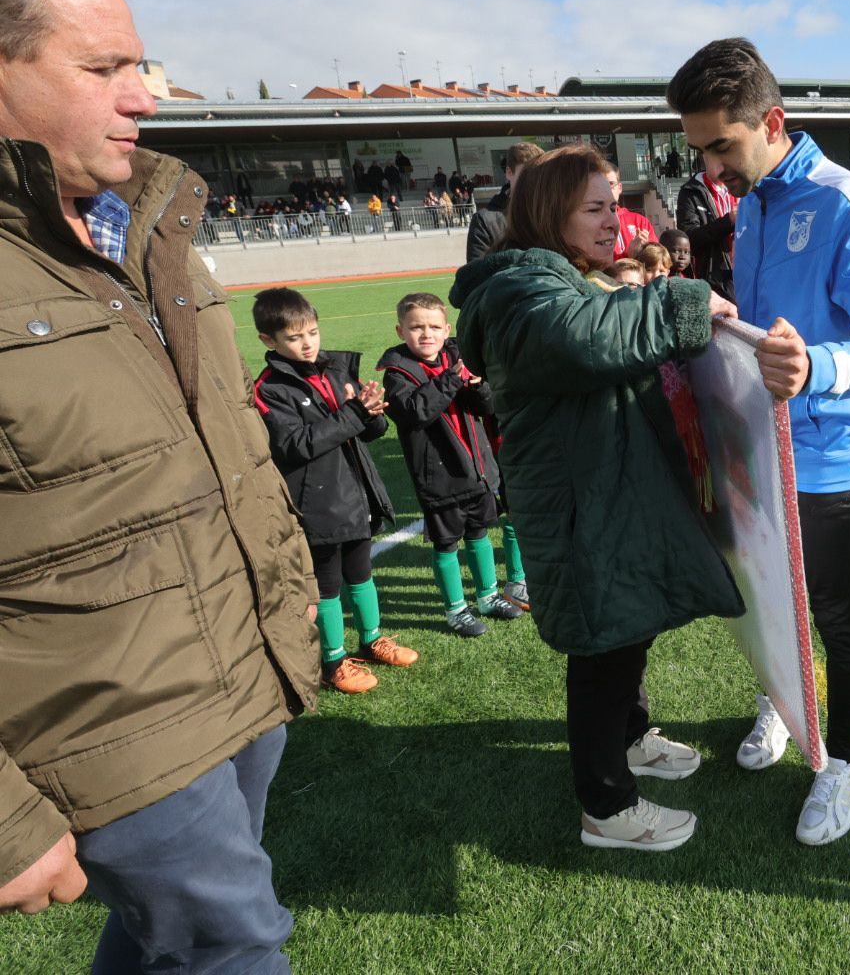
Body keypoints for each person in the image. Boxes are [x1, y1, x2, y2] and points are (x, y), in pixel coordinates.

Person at [0, 0, 319, 967]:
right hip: (104, 724)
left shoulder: (146, 227)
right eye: (104, 67)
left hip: (241, 668)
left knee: (165, 948)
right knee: (239, 947)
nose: (146, 95)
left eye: (141, 64)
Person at [448, 143, 742, 852]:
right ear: (551, 214)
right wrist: (685, 298)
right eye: (595, 208)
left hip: (603, 496)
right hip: (581, 510)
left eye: (616, 204)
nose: (617, 220)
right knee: (603, 654)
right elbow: (587, 340)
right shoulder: (520, 291)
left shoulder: (562, 278)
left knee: (625, 632)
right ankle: (605, 808)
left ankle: (633, 741)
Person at [667, 37, 850, 844]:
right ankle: (780, 702)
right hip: (757, 448)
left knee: (836, 615)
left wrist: (815, 367)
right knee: (765, 599)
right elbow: (769, 330)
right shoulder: (755, 204)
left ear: (771, 121)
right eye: (700, 149)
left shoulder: (845, 201)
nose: (709, 169)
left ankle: (845, 764)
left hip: (830, 457)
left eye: (720, 146)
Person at [251, 288, 415, 693]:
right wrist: (354, 413)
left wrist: (372, 412)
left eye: (312, 332)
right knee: (327, 585)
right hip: (317, 503)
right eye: (294, 337)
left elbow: (368, 431)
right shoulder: (270, 389)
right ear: (268, 341)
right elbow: (295, 446)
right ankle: (333, 660)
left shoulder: (335, 370)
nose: (307, 344)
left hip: (355, 493)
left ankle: (373, 637)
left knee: (361, 573)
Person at [378, 294, 523, 638]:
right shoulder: (397, 373)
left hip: (477, 470)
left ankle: (488, 596)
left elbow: (487, 407)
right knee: (446, 544)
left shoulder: (456, 358)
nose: (426, 334)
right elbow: (415, 411)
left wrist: (478, 385)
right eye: (416, 327)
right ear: (401, 330)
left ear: (446, 330)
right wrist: (452, 379)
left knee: (479, 534)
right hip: (439, 479)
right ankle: (456, 609)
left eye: (433, 327)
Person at [467, 142, 545, 262]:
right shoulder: (484, 221)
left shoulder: (549, 215)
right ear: (509, 172)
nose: (534, 181)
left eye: (539, 175)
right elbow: (475, 277)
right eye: (527, 173)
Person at [676, 166, 738, 298]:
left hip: (745, 277)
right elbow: (689, 239)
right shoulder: (690, 192)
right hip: (713, 282)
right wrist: (729, 221)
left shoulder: (745, 187)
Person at [606, 165, 655, 259]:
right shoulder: (589, 222)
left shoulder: (640, 221)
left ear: (619, 188)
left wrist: (644, 252)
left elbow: (657, 261)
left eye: (611, 184)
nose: (607, 189)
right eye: (602, 185)